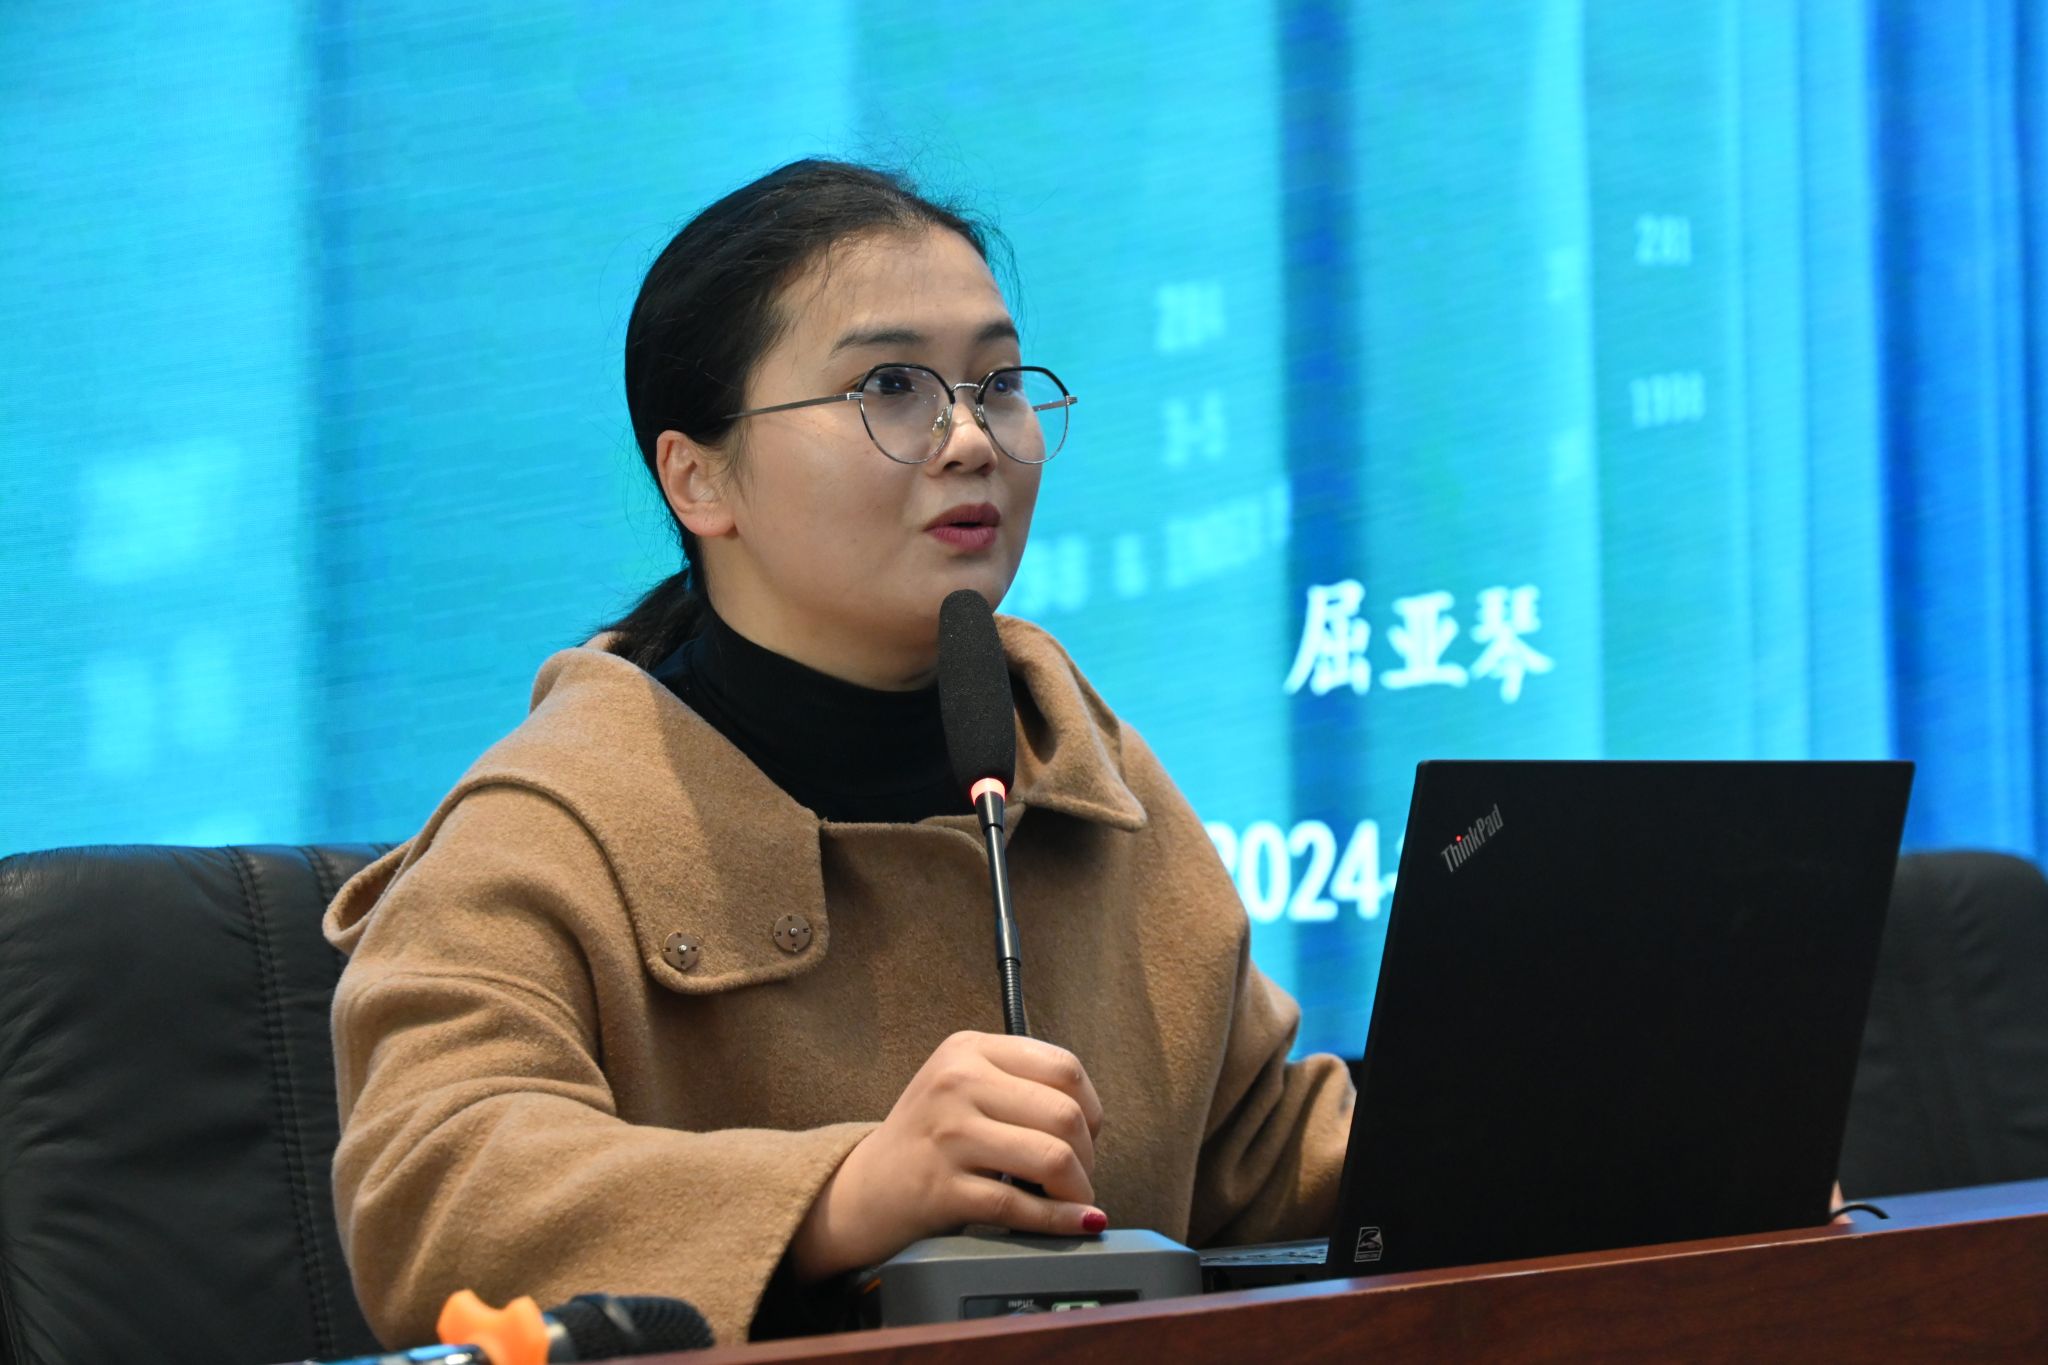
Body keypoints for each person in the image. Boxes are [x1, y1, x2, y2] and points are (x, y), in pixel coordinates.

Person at [323, 158, 1355, 1347]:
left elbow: (1260, 1161)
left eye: (997, 383)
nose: (968, 438)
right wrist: (845, 1191)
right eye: (890, 387)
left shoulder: (1076, 766)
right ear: (697, 478)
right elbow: (434, 1195)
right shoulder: (555, 821)